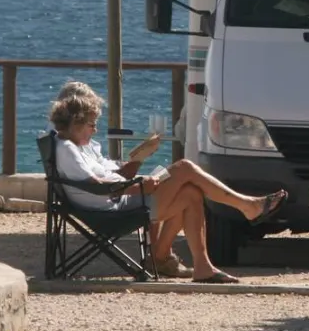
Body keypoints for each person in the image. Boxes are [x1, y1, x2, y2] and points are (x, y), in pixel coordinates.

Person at [48, 81, 288, 283]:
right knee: (184, 168)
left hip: (124, 199)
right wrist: (140, 188)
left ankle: (199, 266)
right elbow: (97, 186)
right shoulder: (68, 149)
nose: (94, 130)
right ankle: (248, 206)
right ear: (76, 123)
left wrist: (140, 160)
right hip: (116, 209)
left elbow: (116, 175)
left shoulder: (82, 146)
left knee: (192, 193)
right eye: (91, 124)